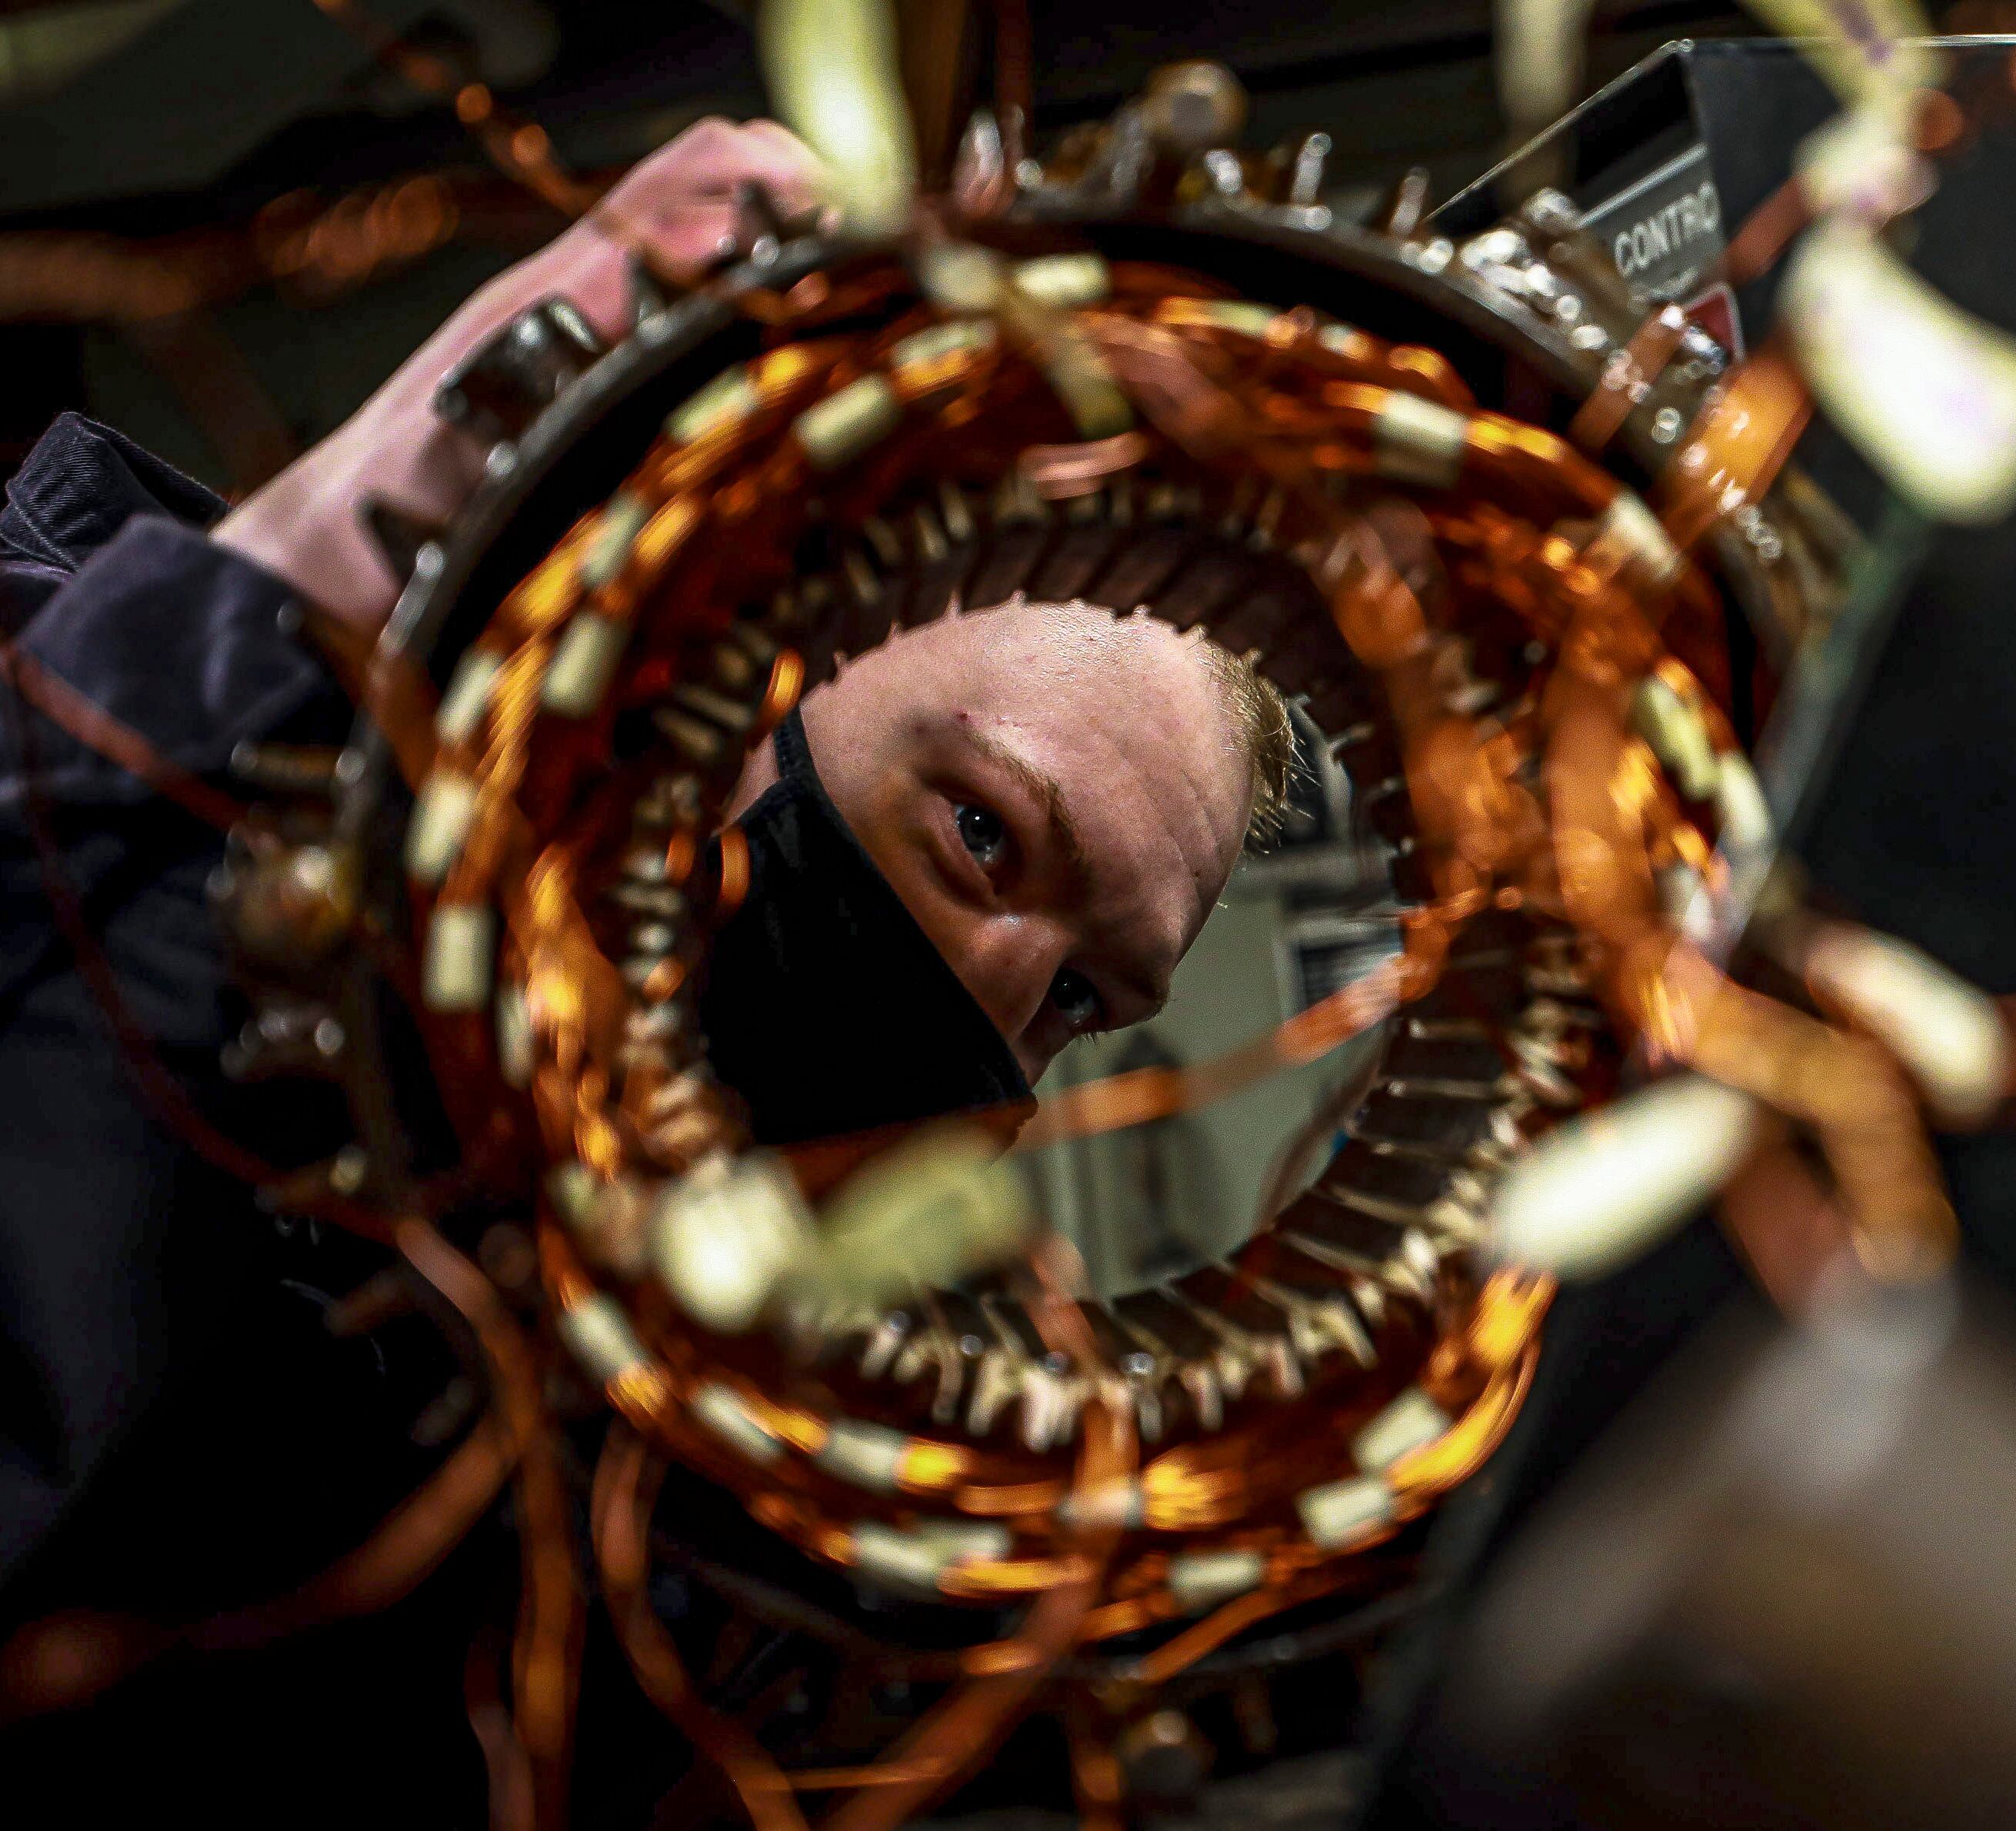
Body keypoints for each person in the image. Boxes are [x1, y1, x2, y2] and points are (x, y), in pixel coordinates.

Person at [0, 114, 1288, 1818]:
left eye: (1079, 1000)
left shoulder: (679, 1434)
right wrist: (238, 650)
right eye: (982, 833)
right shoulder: (67, 746)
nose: (991, 1004)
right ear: (721, 635)